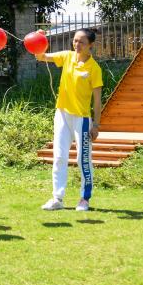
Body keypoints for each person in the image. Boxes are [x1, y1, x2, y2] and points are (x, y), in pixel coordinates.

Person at [36, 27, 103, 212]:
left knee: (83, 159)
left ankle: (84, 199)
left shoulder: (94, 68)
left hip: (82, 119)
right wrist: (39, 39)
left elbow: (97, 101)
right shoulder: (67, 56)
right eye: (75, 40)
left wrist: (96, 125)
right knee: (59, 156)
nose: (77, 44)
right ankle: (57, 198)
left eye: (81, 42)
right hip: (62, 115)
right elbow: (41, 56)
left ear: (90, 45)